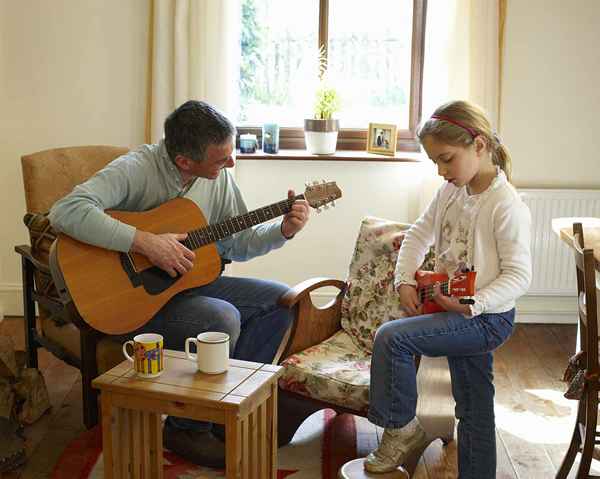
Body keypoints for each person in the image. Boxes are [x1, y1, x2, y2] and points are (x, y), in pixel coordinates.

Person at [48, 100, 310, 468]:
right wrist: (145, 242)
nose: (231, 164)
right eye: (222, 159)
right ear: (185, 161)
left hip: (186, 286)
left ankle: (225, 409)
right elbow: (66, 211)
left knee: (284, 303)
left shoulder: (218, 181)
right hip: (127, 300)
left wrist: (284, 229)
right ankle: (186, 427)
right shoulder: (136, 169)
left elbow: (238, 242)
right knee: (222, 319)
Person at [364, 100, 531, 477]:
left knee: (393, 338)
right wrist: (404, 278)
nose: (441, 171)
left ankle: (401, 430)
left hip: (486, 318)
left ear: (480, 145)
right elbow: (418, 233)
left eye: (447, 159)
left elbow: (519, 277)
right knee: (473, 406)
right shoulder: (451, 192)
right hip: (454, 311)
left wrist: (470, 303)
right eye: (435, 162)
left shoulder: (506, 206)